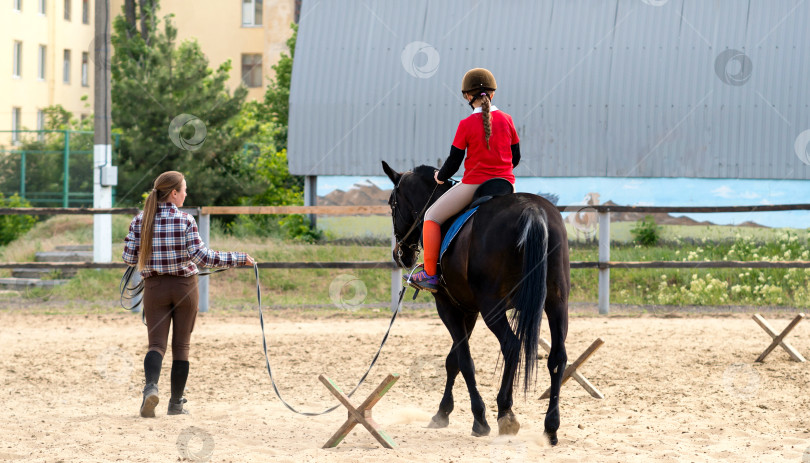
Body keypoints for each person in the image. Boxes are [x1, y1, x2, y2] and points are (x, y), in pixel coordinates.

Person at [122, 171, 254, 417]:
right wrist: (237, 258)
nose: (186, 194)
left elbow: (129, 258)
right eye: (184, 190)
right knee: (181, 346)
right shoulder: (185, 221)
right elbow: (202, 258)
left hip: (154, 288)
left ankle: (151, 388)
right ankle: (175, 404)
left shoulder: (140, 220)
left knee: (156, 345)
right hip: (184, 288)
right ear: (173, 193)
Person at [407, 68, 521, 293]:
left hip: (475, 184)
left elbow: (454, 162)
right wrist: (500, 170)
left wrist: (440, 176)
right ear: (492, 93)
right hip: (507, 185)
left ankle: (430, 274)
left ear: (468, 96)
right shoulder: (507, 120)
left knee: (431, 217)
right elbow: (515, 158)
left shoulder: (466, 124)